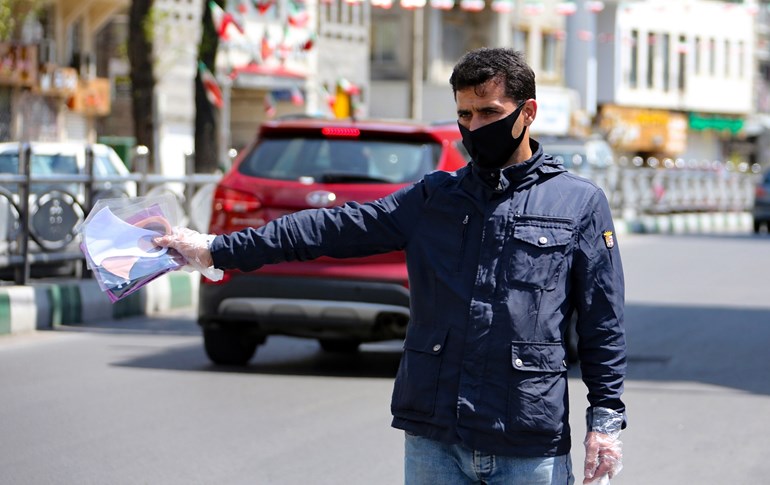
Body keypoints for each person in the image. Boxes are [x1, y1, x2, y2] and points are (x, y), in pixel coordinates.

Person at [154, 47, 626, 485]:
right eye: (465, 114)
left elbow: (602, 319)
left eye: (490, 113)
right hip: (435, 436)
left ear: (528, 113)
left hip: (527, 437)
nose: (475, 127)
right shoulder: (433, 198)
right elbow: (329, 228)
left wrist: (605, 420)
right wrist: (216, 248)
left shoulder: (578, 203)